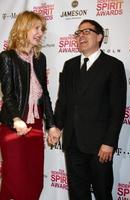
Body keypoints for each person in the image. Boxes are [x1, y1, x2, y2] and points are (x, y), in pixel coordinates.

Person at [48, 19, 127, 199]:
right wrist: (56, 127)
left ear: (100, 37)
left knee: (102, 192)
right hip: (73, 142)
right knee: (77, 193)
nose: (81, 36)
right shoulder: (70, 65)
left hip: (100, 145)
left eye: (86, 32)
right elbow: (63, 102)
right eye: (78, 33)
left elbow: (118, 108)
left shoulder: (113, 66)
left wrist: (109, 142)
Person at [0, 10, 59, 200]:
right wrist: (16, 118)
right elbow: (8, 94)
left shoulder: (40, 59)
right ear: (24, 28)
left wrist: (51, 125)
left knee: (34, 179)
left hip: (34, 127)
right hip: (13, 126)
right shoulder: (7, 57)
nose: (40, 33)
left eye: (42, 29)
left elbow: (45, 95)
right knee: (17, 179)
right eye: (36, 28)